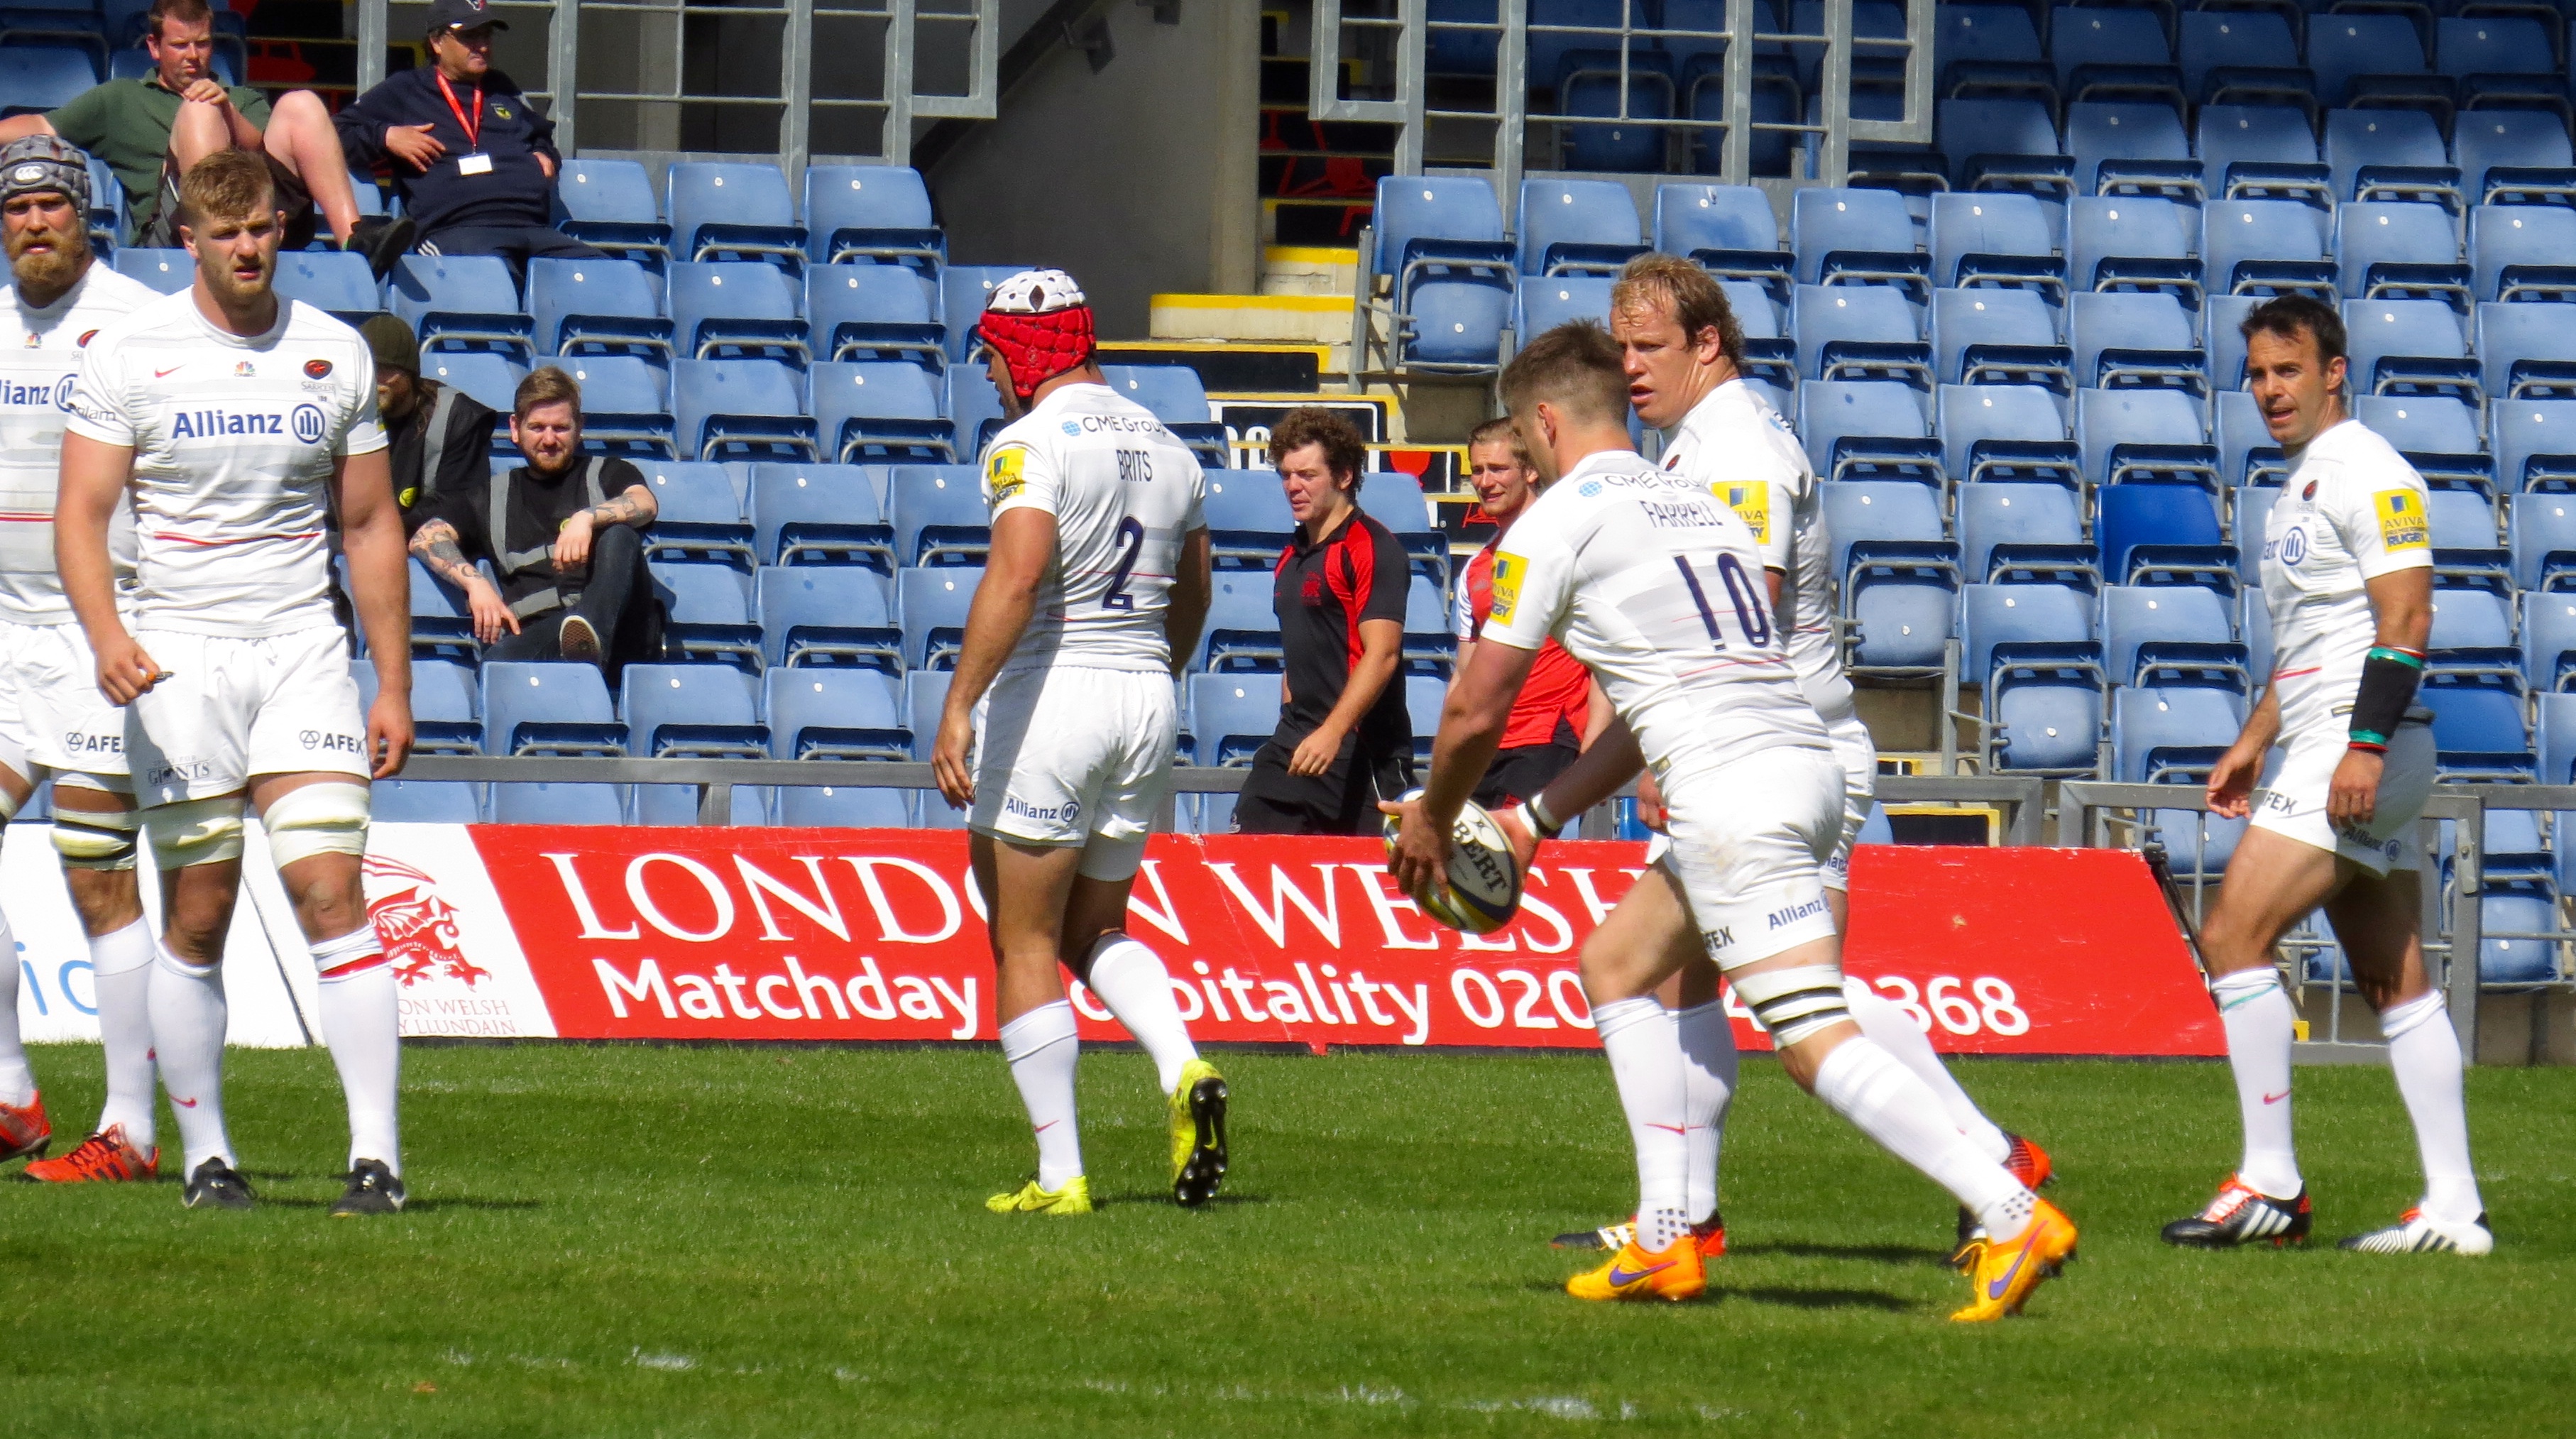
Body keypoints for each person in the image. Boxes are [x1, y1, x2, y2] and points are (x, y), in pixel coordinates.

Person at [1383, 320, 2072, 1320]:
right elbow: (1654, 703)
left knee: (1808, 1034)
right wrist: (1533, 816)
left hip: (1731, 787)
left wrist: (1432, 817)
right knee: (1616, 963)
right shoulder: (1695, 505)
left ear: (1542, 422)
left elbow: (1474, 706)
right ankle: (1667, 1233)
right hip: (1796, 759)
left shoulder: (1556, 522)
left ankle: (2008, 1206)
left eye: (1523, 440)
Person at [1538, 253, 2049, 1265]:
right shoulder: (1697, 443)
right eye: (1622, 347)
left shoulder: (1735, 447)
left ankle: (1992, 1163)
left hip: (1771, 748)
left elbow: (1746, 604)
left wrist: (1671, 745)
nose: (1629, 366)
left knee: (1798, 1005)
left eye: (1649, 346)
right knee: (1686, 978)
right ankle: (1682, 1216)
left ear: (1706, 344)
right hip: (1755, 746)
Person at [55, 148, 417, 1215]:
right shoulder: (131, 354)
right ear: (190, 242)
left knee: (332, 893)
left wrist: (393, 682)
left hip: (301, 648)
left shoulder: (334, 353)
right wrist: (107, 634)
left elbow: (369, 524)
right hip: (179, 657)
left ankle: (378, 1161)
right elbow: (81, 515)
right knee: (200, 911)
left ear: (279, 226)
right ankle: (208, 1158)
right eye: (226, 234)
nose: (247, 248)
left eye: (260, 227)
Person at [2161, 297, 2488, 1256]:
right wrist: (2253, 737)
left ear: (2333, 372)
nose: (2270, 390)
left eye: (2288, 370)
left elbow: (2407, 619)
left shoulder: (2370, 471)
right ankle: (2454, 1210)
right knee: (2393, 977)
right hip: (2331, 739)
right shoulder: (2299, 483)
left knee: (2232, 933)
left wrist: (2363, 745)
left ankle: (2270, 1181)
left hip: (2358, 745)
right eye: (2258, 374)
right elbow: (2313, 640)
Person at [926, 268, 1226, 1215]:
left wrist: (959, 702)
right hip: (1146, 690)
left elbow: (1017, 575)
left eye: (991, 355)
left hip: (1058, 690)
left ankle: (1061, 1175)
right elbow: (1197, 588)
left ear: (1025, 350)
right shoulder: (1170, 443)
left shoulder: (1028, 441)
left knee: (1020, 936)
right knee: (1093, 926)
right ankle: (1183, 1065)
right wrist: (1158, 670)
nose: (988, 374)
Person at [0, 136, 164, 1184]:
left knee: (97, 877)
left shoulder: (140, 325)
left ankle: (132, 1132)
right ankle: (12, 1094)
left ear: (85, 214)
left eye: (51, 206)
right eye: (17, 210)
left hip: (101, 632)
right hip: (3, 634)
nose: (33, 224)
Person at [0, 0, 407, 271]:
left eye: (203, 44)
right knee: (198, 110)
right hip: (179, 234)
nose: (193, 56)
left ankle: (356, 242)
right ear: (155, 47)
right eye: (180, 46)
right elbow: (40, 127)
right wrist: (211, 110)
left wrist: (227, 109)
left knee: (301, 102)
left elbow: (262, 147)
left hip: (261, 215)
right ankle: (219, 243)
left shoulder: (242, 99)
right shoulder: (119, 99)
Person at [1233, 407, 1412, 834]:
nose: (1293, 486)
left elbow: (1383, 654)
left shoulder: (1372, 547)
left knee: (1374, 874)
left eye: (1307, 475)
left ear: (1344, 476)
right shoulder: (1290, 556)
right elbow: (1298, 650)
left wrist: (1333, 732)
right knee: (1247, 846)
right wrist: (1292, 717)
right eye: (1286, 475)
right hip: (1296, 743)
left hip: (1362, 751)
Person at [407, 366, 658, 669]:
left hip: (622, 638)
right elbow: (425, 537)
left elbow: (644, 503)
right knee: (497, 664)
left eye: (560, 428)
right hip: (545, 636)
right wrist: (476, 584)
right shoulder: (488, 498)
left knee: (620, 535)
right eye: (537, 428)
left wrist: (587, 519)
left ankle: (591, 637)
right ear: (515, 428)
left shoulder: (608, 473)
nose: (549, 440)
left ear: (579, 427)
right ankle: (580, 649)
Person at [333, 0, 601, 280]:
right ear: (437, 42)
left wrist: (544, 153)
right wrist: (386, 136)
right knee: (496, 280)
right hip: (457, 230)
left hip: (531, 227)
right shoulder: (407, 89)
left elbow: (539, 133)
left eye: (486, 35)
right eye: (470, 36)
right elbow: (337, 133)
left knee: (605, 276)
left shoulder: (502, 88)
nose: (482, 46)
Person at [1450, 417, 1608, 808]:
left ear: (1531, 470)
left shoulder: (1567, 546)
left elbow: (1607, 653)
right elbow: (1465, 672)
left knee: (1514, 843)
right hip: (1486, 742)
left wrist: (1596, 743)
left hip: (1548, 735)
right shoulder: (1476, 569)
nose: (1485, 482)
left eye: (1498, 469)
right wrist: (1451, 745)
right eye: (1477, 470)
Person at [358, 312, 496, 530]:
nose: (376, 380)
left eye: (387, 370)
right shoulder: (346, 414)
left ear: (410, 373)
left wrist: (383, 530)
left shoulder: (454, 417)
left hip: (427, 535)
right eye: (369, 369)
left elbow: (461, 506)